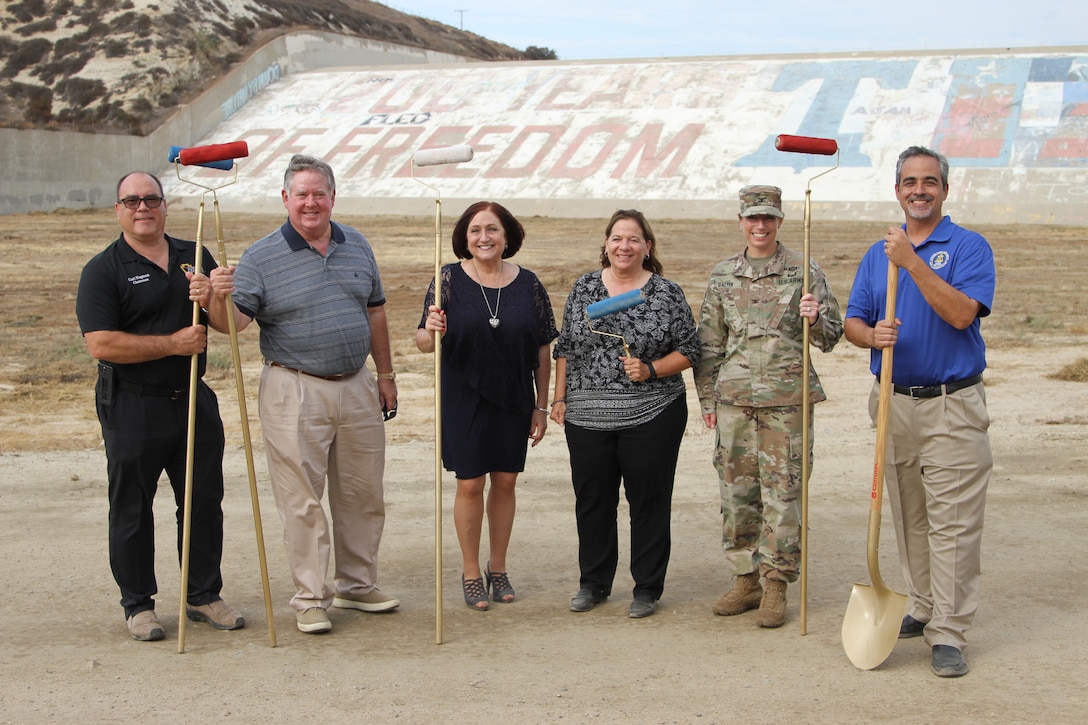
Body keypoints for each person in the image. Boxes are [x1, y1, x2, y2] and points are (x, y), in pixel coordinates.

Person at [197, 154, 400, 635]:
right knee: (303, 500)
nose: (311, 202)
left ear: (332, 197)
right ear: (285, 199)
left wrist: (386, 375)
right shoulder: (261, 256)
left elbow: (375, 312)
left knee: (363, 494)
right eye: (301, 194)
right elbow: (235, 325)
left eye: (319, 193)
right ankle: (311, 597)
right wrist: (213, 300)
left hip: (356, 385)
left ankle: (357, 585)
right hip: (294, 388)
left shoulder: (357, 243)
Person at [845, 146, 995, 677]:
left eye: (929, 181)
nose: (919, 190)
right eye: (909, 181)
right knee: (910, 513)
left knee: (952, 521)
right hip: (892, 401)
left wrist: (911, 261)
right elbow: (853, 321)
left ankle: (949, 632)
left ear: (945, 190)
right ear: (898, 190)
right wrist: (870, 334)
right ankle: (923, 603)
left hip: (952, 404)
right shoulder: (876, 254)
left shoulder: (969, 247)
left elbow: (960, 315)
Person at [75, 171, 245, 641]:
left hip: (193, 397)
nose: (142, 207)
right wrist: (174, 343)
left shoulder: (195, 255)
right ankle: (139, 605)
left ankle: (203, 595)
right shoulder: (103, 269)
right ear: (118, 210)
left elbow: (227, 326)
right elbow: (102, 344)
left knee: (203, 502)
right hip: (133, 403)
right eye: (131, 201)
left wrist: (214, 297)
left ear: (166, 205)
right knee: (132, 506)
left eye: (151, 199)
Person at [694, 185, 843, 629]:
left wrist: (815, 317)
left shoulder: (804, 269)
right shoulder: (724, 275)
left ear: (780, 221)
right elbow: (708, 343)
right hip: (735, 403)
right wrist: (707, 401)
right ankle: (745, 579)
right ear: (741, 221)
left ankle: (776, 582)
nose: (761, 226)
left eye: (769, 218)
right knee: (736, 496)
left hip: (787, 404)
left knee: (784, 496)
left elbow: (832, 336)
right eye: (753, 218)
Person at [550, 209, 699, 619]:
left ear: (647, 247)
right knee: (593, 499)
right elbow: (567, 348)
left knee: (648, 501)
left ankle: (647, 588)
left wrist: (650, 369)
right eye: (617, 238)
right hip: (586, 414)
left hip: (653, 412)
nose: (624, 246)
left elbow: (691, 349)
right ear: (606, 244)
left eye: (633, 239)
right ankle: (593, 583)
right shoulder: (584, 289)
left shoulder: (666, 293)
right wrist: (559, 398)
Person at [415, 201, 558, 611]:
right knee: (471, 482)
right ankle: (471, 571)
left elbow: (543, 348)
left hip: (514, 397)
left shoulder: (528, 283)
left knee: (507, 481)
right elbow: (424, 344)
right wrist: (431, 329)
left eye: (492, 229)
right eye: (476, 230)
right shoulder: (447, 279)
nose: (484, 237)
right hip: (464, 395)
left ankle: (499, 567)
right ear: (465, 236)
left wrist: (540, 406)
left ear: (507, 236)